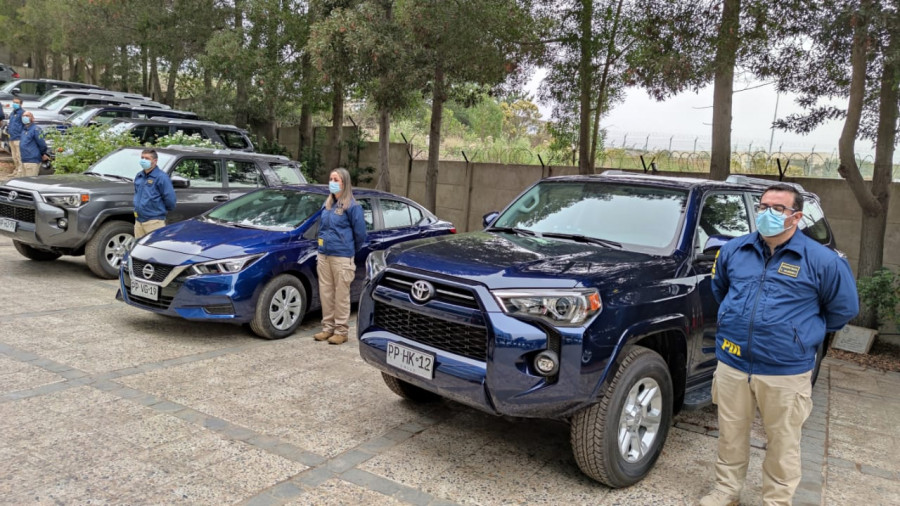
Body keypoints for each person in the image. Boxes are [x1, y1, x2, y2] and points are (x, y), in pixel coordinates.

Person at [700, 184, 859, 506]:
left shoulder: (822, 260)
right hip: (733, 363)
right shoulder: (734, 250)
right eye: (763, 206)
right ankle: (726, 491)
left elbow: (843, 310)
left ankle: (776, 500)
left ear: (796, 217)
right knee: (730, 435)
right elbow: (722, 290)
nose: (766, 213)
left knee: (783, 442)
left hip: (786, 369)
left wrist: (801, 334)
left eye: (777, 208)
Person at [314, 168, 367, 345]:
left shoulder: (352, 206)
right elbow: (322, 228)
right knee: (326, 293)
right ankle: (327, 328)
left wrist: (348, 249)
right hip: (324, 256)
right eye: (330, 179)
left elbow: (360, 235)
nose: (332, 182)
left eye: (336, 179)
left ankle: (341, 331)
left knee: (341, 296)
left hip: (342, 257)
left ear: (344, 182)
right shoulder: (327, 204)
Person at [133, 149, 176, 238]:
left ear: (155, 161)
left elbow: (170, 200)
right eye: (142, 158)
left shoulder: (161, 177)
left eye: (147, 158)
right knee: (139, 249)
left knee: (152, 249)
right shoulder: (139, 176)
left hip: (154, 222)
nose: (143, 160)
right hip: (139, 221)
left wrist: (158, 211)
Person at [19, 111, 49, 177]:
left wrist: (42, 154)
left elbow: (42, 144)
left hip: (32, 160)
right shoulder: (24, 130)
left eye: (27, 116)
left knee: (30, 181)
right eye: (23, 116)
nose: (25, 117)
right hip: (24, 159)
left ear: (32, 118)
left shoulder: (36, 129)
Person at [7, 97, 24, 176]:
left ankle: (20, 172)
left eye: (17, 103)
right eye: (14, 102)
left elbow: (24, 125)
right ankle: (16, 169)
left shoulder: (22, 113)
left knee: (19, 155)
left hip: (18, 137)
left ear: (21, 104)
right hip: (12, 137)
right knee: (14, 156)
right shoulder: (12, 113)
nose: (15, 104)